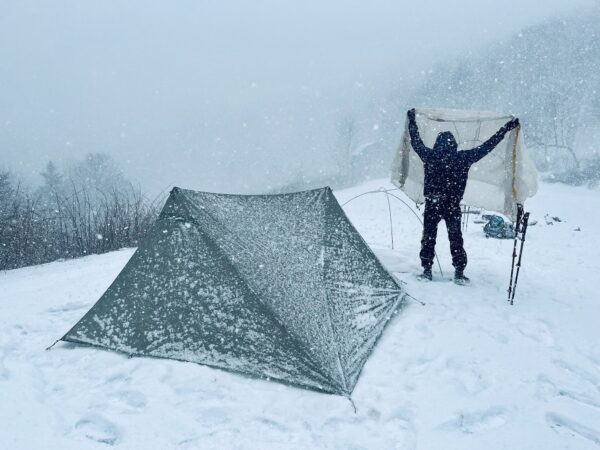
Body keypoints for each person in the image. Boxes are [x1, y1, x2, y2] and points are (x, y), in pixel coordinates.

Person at [407, 108, 519, 284]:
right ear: (454, 144)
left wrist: (412, 120)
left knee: (429, 236)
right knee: (455, 238)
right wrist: (505, 129)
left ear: (437, 143)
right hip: (452, 205)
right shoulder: (463, 158)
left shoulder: (430, 156)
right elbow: (487, 146)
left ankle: (427, 270)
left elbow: (416, 141)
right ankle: (459, 272)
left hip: (433, 203)